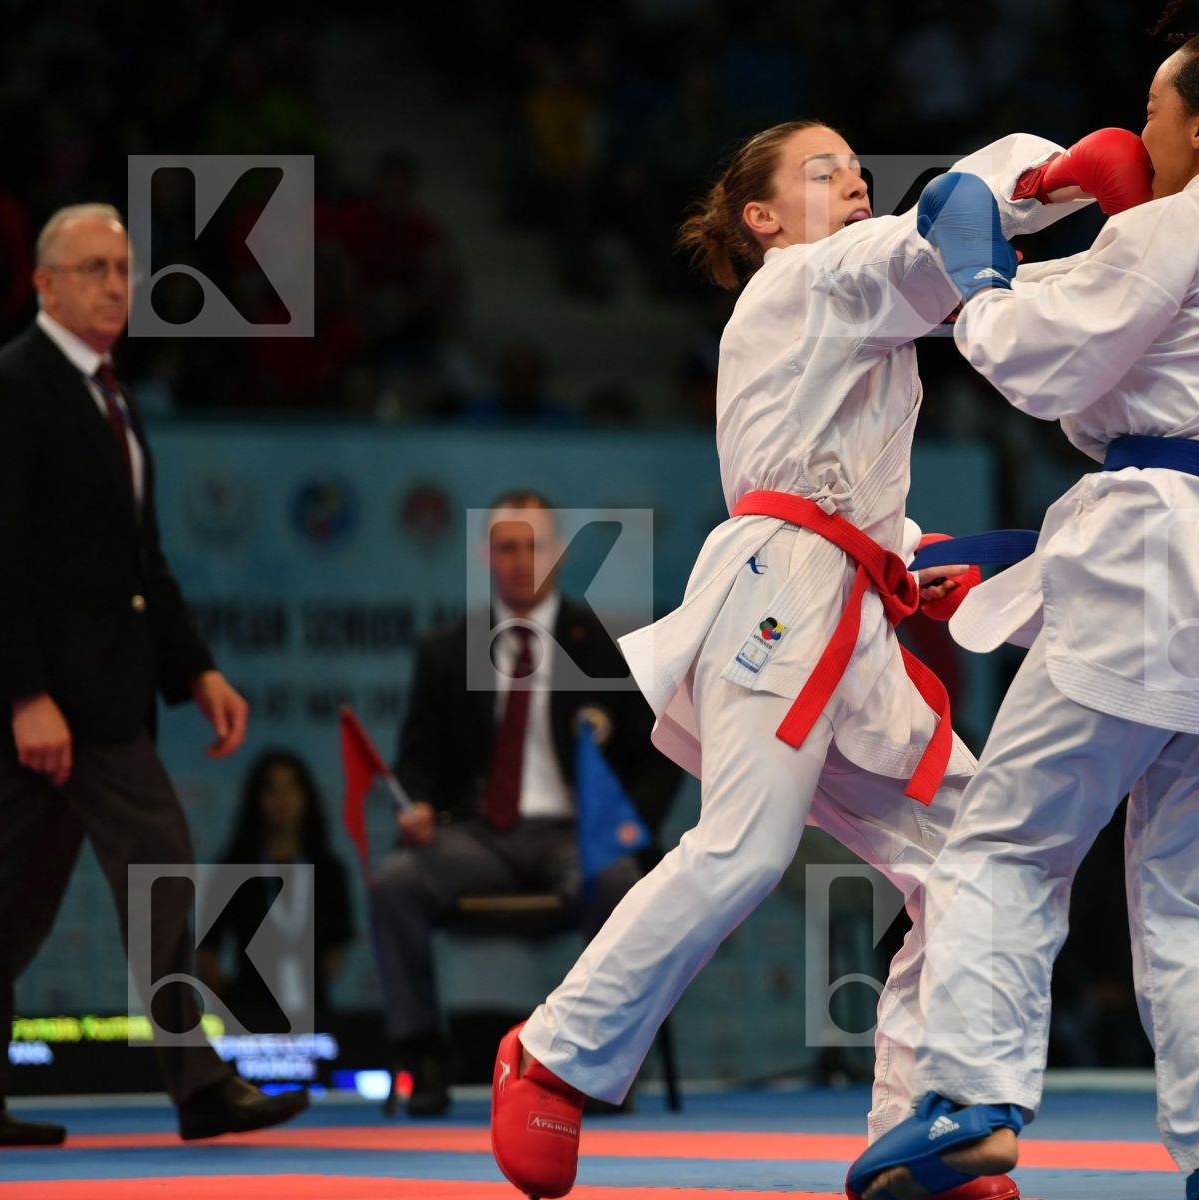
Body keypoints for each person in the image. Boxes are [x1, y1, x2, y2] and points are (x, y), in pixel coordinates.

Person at [489, 121, 1151, 1200]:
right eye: (824, 170)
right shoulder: (806, 277)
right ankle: (554, 1051)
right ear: (763, 218)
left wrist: (914, 558)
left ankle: (923, 1127)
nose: (852, 181)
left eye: (858, 169)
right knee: (746, 847)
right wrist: (1049, 175)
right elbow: (935, 234)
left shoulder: (858, 321)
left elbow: (862, 496)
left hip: (846, 603)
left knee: (978, 859)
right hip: (779, 594)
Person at [848, 3, 1199, 1197]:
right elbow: (1133, 400)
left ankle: (968, 1100)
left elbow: (1046, 362)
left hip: (1161, 569)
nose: (1138, 133)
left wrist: (979, 278)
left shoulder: (1184, 220)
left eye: (1156, 113)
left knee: (1004, 847)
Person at [0, 204, 307, 1144]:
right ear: (44, 284)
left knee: (12, 906)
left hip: (96, 696)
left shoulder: (109, 396)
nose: (112, 285)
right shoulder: (18, 385)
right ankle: (202, 1087)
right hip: (63, 705)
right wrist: (23, 694)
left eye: (123, 268)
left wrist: (199, 672)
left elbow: (144, 568)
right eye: (90, 268)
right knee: (164, 870)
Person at [367, 491, 660, 1116]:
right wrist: (415, 804)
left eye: (534, 546)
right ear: (486, 555)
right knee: (395, 883)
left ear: (556, 554)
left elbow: (659, 750)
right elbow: (417, 756)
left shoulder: (604, 645)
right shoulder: (447, 649)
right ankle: (421, 1056)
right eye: (507, 547)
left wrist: (628, 826)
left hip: (573, 834)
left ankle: (602, 1063)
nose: (521, 560)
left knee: (618, 879)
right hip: (479, 837)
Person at [198, 749, 355, 1029]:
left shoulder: (329, 871)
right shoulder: (231, 869)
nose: (282, 800)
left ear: (307, 797)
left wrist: (309, 981)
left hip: (313, 1010)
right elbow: (207, 949)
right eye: (271, 789)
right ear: (255, 799)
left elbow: (337, 945)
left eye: (291, 788)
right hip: (245, 1011)